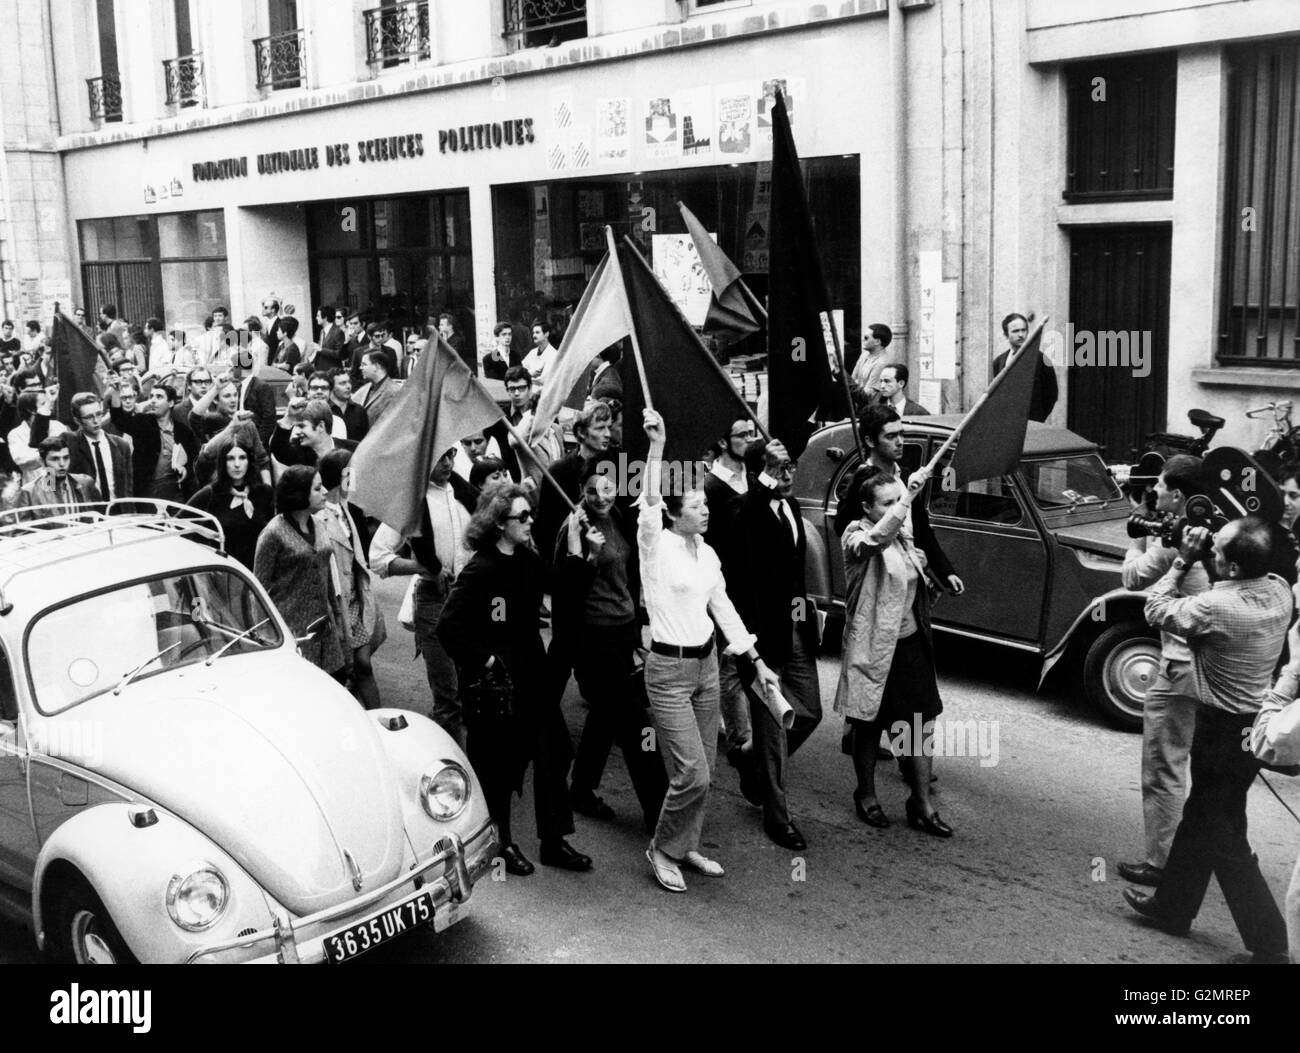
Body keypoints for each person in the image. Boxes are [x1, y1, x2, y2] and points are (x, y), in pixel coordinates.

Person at [1124, 516, 1292, 964]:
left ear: (1233, 569)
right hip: (1251, 728)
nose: (1210, 553)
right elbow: (1245, 568)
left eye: (1217, 551)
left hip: (1219, 733)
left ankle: (1271, 942)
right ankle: (1173, 908)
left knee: (1225, 837)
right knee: (1204, 817)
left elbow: (1154, 607)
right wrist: (1216, 548)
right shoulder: (1279, 589)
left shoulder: (1216, 606)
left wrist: (1182, 560)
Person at [638, 409, 782, 893]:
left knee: (707, 768)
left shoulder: (709, 552)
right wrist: (657, 446)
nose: (705, 510)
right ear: (675, 515)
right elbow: (649, 502)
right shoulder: (655, 545)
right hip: (667, 670)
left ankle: (687, 845)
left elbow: (725, 610)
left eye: (705, 504)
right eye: (696, 506)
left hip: (706, 668)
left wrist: (756, 662)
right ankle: (661, 849)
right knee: (692, 773)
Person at [437, 482, 593, 877]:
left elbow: (564, 589)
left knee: (555, 754)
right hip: (500, 688)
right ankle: (500, 843)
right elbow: (449, 627)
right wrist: (488, 660)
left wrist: (578, 546)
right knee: (499, 769)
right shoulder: (481, 568)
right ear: (497, 523)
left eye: (530, 515)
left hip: (533, 678)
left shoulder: (526, 558)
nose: (529, 522)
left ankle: (554, 841)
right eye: (520, 517)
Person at [834, 464, 953, 837]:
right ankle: (865, 794)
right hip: (872, 647)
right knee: (868, 725)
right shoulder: (856, 536)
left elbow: (909, 583)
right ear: (866, 508)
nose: (893, 510)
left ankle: (921, 803)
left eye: (895, 501)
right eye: (885, 503)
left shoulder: (902, 536)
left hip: (910, 644)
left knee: (919, 725)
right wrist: (907, 499)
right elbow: (875, 543)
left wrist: (935, 584)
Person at [552, 468, 668, 832]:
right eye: (592, 490)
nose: (601, 497)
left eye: (607, 489)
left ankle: (581, 790)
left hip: (622, 632)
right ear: (581, 490)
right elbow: (563, 592)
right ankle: (660, 810)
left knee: (605, 715)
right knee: (636, 724)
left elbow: (628, 576)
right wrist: (587, 555)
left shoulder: (617, 516)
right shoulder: (573, 528)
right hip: (593, 638)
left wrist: (635, 630)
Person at [1116, 455, 1211, 888]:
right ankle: (1203, 857)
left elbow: (1134, 579)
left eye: (1159, 485)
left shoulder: (1175, 539)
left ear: (1178, 495)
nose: (1153, 490)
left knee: (1163, 767)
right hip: (1214, 672)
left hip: (1178, 669)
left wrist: (1135, 534)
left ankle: (1161, 863)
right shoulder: (1218, 528)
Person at [731, 438, 822, 850]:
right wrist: (767, 474)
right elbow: (752, 511)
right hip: (761, 640)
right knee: (772, 735)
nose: (788, 476)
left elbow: (794, 575)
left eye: (792, 468)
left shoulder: (793, 507)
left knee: (809, 712)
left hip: (796, 632)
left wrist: (809, 620)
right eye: (779, 469)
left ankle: (747, 759)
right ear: (759, 474)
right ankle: (777, 817)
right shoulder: (748, 510)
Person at [369, 447, 476, 745]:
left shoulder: (466, 494)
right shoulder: (412, 502)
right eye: (439, 457)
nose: (447, 463)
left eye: (451, 455)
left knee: (472, 686)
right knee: (448, 695)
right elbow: (378, 558)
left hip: (471, 601)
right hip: (434, 601)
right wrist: (424, 567)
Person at [254, 465, 350, 681]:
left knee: (336, 683)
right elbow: (258, 591)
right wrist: (267, 639)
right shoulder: (272, 534)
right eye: (317, 488)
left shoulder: (320, 524)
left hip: (325, 627)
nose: (325, 491)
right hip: (292, 632)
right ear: (299, 494)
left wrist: (338, 618)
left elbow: (327, 578)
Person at [703, 419, 758, 775]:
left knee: (748, 658)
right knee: (731, 660)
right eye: (743, 435)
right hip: (724, 583)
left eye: (754, 433)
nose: (751, 440)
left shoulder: (751, 477)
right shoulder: (712, 485)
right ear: (724, 441)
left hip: (752, 582)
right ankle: (741, 739)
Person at [317, 449, 382, 710]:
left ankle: (377, 717)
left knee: (363, 662)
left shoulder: (351, 508)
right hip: (337, 599)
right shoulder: (318, 512)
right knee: (350, 667)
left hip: (357, 594)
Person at [536, 401, 613, 563]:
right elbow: (546, 528)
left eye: (609, 427)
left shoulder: (615, 464)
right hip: (573, 560)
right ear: (581, 432)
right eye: (600, 428)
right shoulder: (558, 471)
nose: (607, 434)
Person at [188, 435, 274, 570]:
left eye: (242, 457)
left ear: (249, 461)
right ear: (222, 462)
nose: (237, 464)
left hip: (258, 571)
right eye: (230, 458)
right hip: (225, 574)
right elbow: (179, 525)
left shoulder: (264, 493)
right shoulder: (210, 493)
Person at [106, 381, 198, 501]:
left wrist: (185, 469)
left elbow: (193, 460)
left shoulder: (183, 431)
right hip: (147, 490)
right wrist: (116, 393)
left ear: (171, 403)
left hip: (175, 490)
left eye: (159, 397)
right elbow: (119, 419)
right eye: (151, 397)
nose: (153, 400)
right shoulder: (143, 422)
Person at [30, 393, 132, 502]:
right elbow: (40, 445)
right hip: (85, 511)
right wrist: (50, 493)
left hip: (119, 511)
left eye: (98, 414)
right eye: (89, 417)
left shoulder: (121, 444)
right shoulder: (69, 441)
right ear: (77, 420)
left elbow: (128, 487)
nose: (96, 421)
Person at [992, 312, 1057, 423]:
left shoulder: (1041, 359)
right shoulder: (999, 362)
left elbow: (1051, 394)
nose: (1021, 335)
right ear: (1006, 335)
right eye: (1015, 331)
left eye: (1024, 330)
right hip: (1006, 422)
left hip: (1031, 423)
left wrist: (1038, 417)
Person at [16, 436, 100, 517]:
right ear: (42, 462)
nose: (62, 464)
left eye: (66, 458)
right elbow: (23, 530)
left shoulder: (85, 482)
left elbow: (102, 518)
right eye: (55, 459)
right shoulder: (28, 492)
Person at [8, 390, 65, 486]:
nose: (49, 406)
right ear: (31, 410)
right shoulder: (15, 434)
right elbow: (21, 461)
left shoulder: (58, 427)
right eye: (43, 403)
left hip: (60, 485)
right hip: (33, 487)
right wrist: (48, 453)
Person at [354, 348, 402, 429]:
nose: (360, 368)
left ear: (377, 366)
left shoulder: (394, 392)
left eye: (364, 364)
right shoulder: (365, 389)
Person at [850, 323, 895, 400]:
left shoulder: (881, 363)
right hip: (859, 399)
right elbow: (853, 379)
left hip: (871, 406)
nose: (863, 339)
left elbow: (867, 394)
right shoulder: (865, 355)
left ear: (877, 341)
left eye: (866, 337)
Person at [521, 320, 557, 386]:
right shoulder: (533, 352)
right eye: (533, 333)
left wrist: (527, 374)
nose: (534, 335)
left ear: (546, 334)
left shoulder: (553, 354)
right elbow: (521, 369)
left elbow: (543, 379)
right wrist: (531, 374)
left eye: (537, 332)